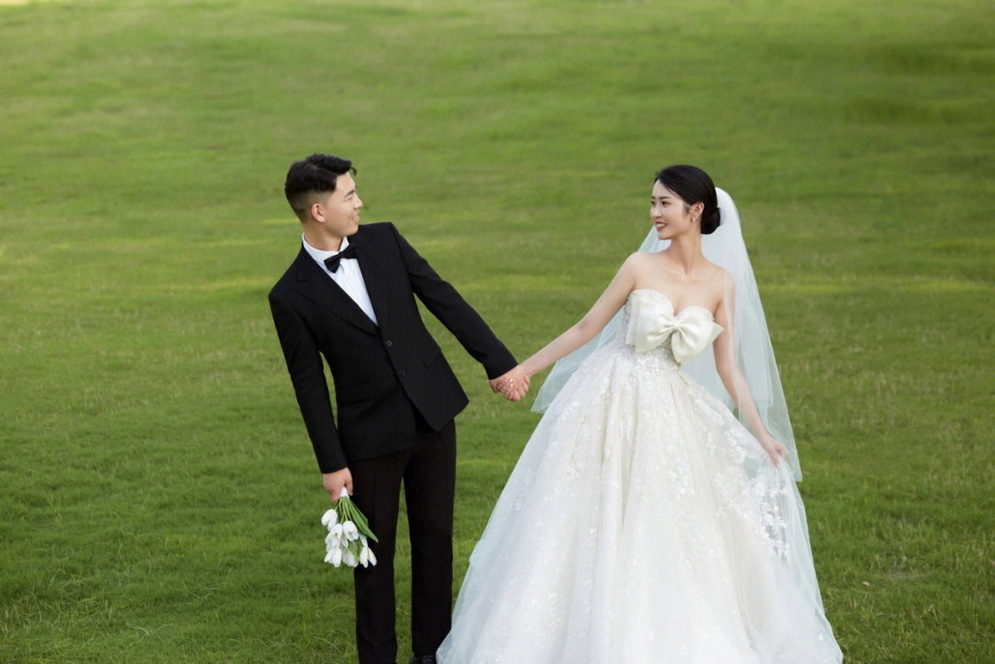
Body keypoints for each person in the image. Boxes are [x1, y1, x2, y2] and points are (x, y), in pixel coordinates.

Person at [437, 165, 843, 663]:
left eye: (664, 203)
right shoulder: (639, 266)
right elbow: (586, 328)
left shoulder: (721, 283)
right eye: (652, 203)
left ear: (696, 211)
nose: (654, 213)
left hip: (670, 407)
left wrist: (760, 431)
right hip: (610, 395)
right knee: (585, 507)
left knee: (666, 514)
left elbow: (728, 367)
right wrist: (522, 369)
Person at [268, 153, 529, 664]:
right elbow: (309, 386)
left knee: (436, 540)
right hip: (368, 438)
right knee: (372, 556)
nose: (359, 203)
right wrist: (331, 463)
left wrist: (498, 363)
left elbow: (442, 297)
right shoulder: (289, 296)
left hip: (433, 413)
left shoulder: (384, 240)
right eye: (349, 195)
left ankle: (432, 654)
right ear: (318, 211)